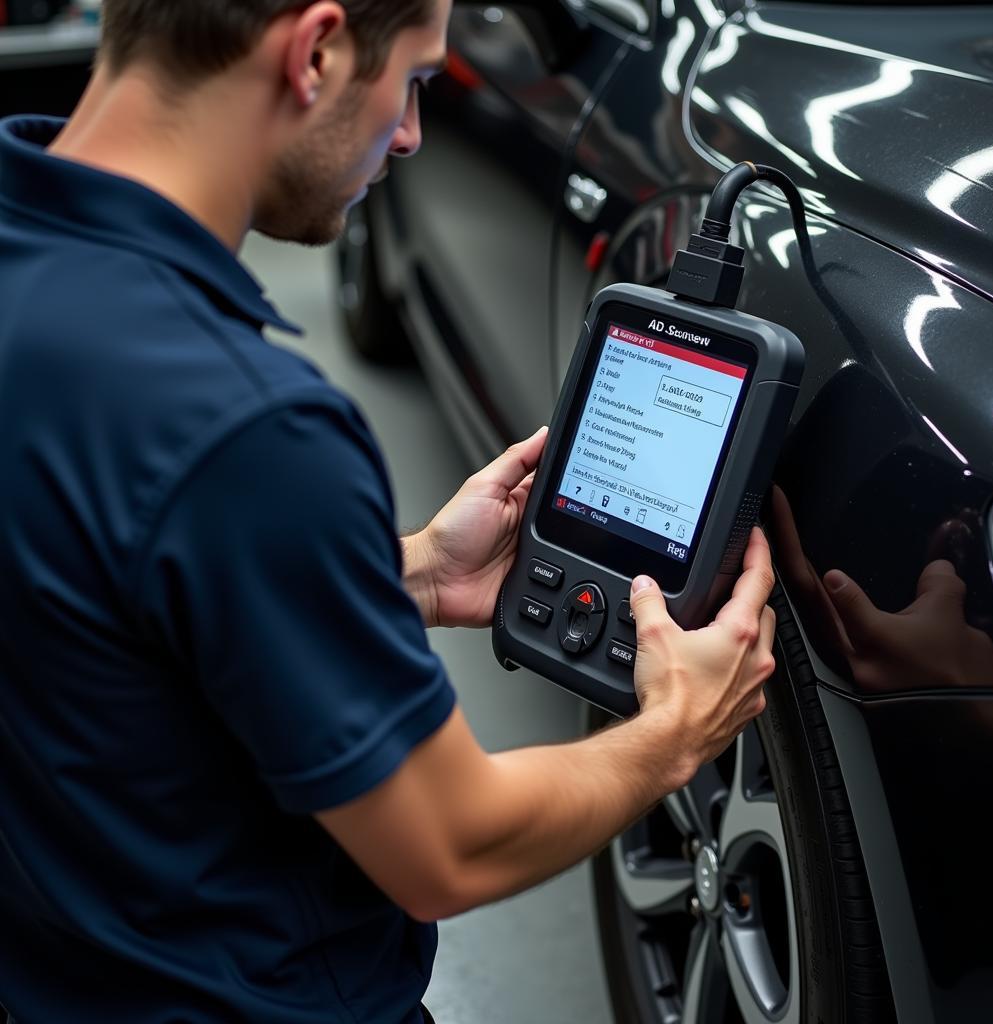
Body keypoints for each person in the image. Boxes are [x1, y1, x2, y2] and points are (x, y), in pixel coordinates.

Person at [0, 2, 776, 1021]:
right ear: (314, 50)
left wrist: (404, 574)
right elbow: (448, 844)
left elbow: (92, 581)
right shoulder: (245, 428)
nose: (410, 133)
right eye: (411, 81)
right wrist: (673, 732)